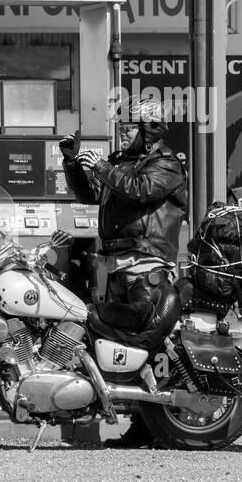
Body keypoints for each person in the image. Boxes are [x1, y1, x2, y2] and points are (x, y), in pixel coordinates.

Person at [60, 98, 187, 333]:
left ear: (149, 129)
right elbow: (91, 194)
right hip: (116, 267)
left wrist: (101, 167)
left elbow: (140, 190)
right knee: (114, 339)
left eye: (128, 128)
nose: (122, 134)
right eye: (120, 129)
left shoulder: (166, 163)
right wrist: (71, 164)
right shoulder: (120, 162)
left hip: (144, 267)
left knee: (144, 336)